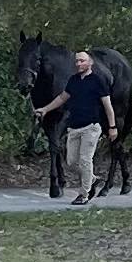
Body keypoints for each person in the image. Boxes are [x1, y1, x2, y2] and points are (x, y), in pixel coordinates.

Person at [33, 49, 118, 203]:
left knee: (85, 160)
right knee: (71, 162)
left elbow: (108, 106)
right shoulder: (73, 80)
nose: (79, 63)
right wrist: (45, 109)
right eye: (77, 61)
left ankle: (84, 195)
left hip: (91, 127)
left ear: (90, 63)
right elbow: (62, 98)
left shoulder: (98, 81)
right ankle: (91, 179)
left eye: (82, 61)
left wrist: (112, 127)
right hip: (74, 127)